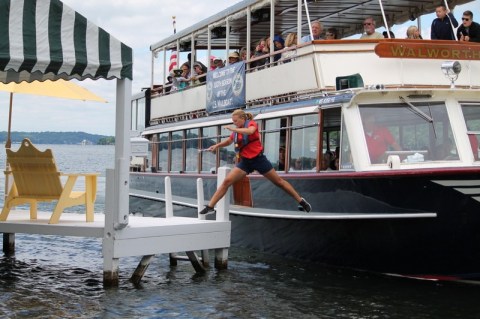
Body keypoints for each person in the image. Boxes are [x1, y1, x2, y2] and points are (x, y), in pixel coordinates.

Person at [199, 109, 312, 215]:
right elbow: (229, 141)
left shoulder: (251, 124)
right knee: (226, 181)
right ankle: (210, 207)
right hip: (245, 162)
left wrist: (233, 129)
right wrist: (217, 145)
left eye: (236, 121)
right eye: (233, 122)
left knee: (279, 182)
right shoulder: (237, 131)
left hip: (259, 159)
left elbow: (250, 131)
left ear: (243, 119)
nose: (234, 123)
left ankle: (301, 201)